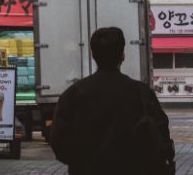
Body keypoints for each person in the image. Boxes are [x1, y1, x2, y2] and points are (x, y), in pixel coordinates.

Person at [51, 27, 174, 175]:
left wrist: (81, 162)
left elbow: (59, 141)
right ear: (122, 55)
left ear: (93, 54)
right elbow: (161, 137)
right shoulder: (142, 93)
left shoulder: (73, 94)